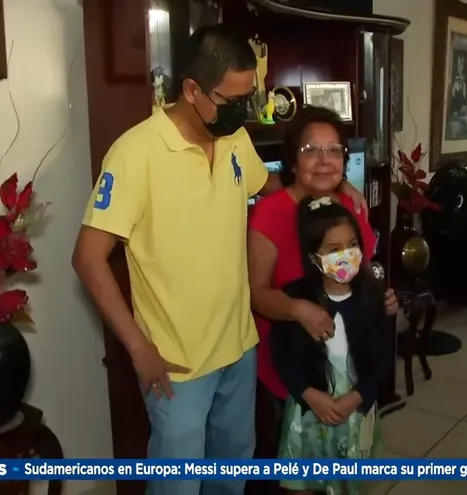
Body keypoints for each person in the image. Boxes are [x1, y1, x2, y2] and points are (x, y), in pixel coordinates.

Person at [71, 26, 366, 495]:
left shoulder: (232, 139)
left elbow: (269, 188)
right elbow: (88, 258)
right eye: (233, 99)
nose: (244, 110)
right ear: (191, 90)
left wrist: (331, 187)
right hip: (176, 364)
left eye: (249, 97)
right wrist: (137, 348)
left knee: (232, 475)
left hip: (238, 346)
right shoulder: (135, 153)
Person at [246, 106, 397, 467]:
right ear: (292, 161)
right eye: (311, 150)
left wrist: (383, 298)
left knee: (348, 463)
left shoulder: (351, 205)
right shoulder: (270, 212)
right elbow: (255, 292)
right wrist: (298, 309)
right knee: (302, 468)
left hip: (351, 368)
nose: (324, 160)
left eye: (334, 151)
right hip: (294, 368)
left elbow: (363, 275)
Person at [271, 196, 386, 495]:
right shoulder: (296, 300)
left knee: (351, 482)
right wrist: (309, 395)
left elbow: (383, 358)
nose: (346, 255)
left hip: (356, 409)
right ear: (314, 257)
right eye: (334, 250)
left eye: (351, 244)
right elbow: (283, 357)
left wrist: (358, 397)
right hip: (309, 411)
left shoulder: (373, 298)